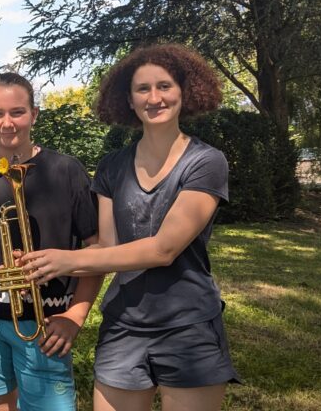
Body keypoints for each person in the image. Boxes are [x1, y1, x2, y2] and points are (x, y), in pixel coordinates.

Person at [19, 44, 240, 411]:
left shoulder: (206, 162)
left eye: (164, 86)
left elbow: (163, 249)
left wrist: (68, 260)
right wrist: (38, 262)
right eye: (143, 89)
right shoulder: (112, 166)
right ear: (129, 100)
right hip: (123, 325)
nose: (154, 98)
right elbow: (107, 248)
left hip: (188, 327)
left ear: (183, 91)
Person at [0, 72, 103, 411]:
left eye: (18, 112)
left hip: (48, 322)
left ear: (34, 114)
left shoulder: (66, 170)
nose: (7, 123)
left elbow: (97, 249)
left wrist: (76, 315)